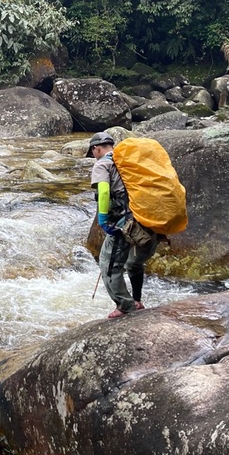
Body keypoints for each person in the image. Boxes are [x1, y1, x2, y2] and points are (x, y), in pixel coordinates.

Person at [88, 132, 159, 318]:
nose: (94, 155)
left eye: (93, 151)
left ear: (96, 149)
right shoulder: (129, 162)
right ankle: (137, 300)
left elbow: (103, 192)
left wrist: (103, 218)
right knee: (134, 263)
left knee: (108, 264)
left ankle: (126, 306)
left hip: (124, 223)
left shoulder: (102, 164)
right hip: (146, 216)